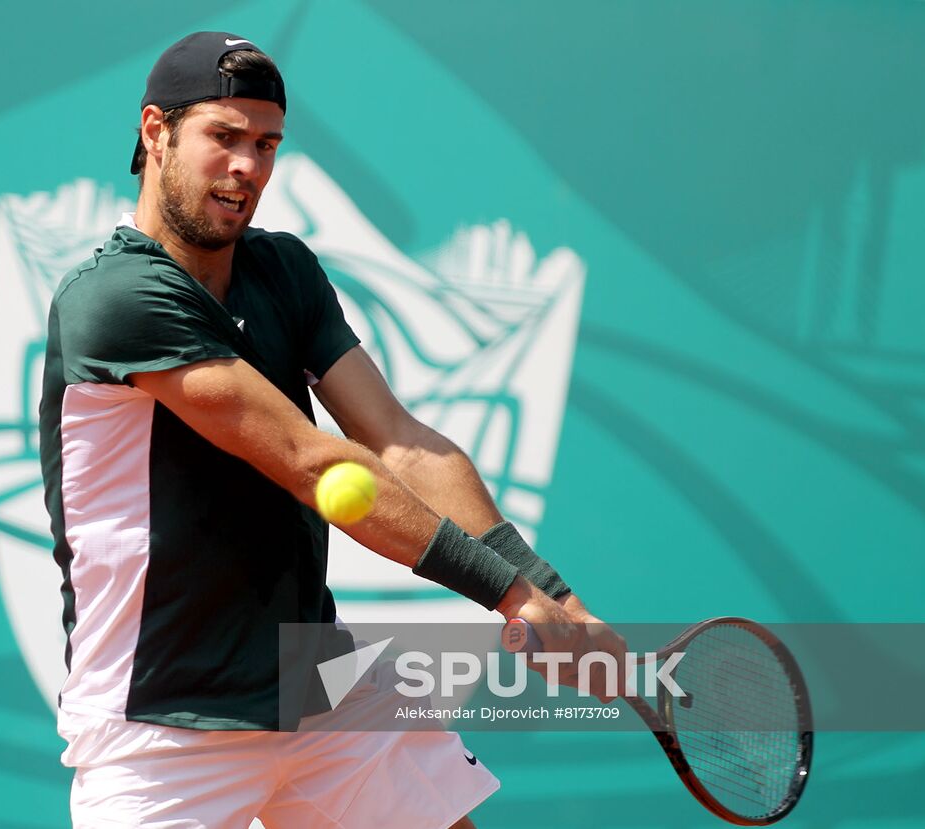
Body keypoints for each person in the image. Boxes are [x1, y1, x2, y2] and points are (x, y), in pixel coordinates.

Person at [38, 31, 625, 829]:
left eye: (266, 144)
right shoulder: (116, 298)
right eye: (224, 136)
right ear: (155, 132)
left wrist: (553, 592)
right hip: (162, 717)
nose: (248, 166)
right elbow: (312, 463)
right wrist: (510, 595)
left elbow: (395, 436)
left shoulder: (283, 270)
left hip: (313, 678)